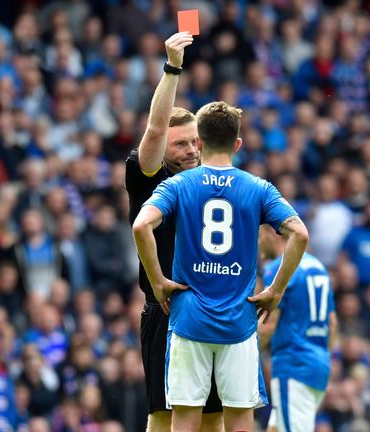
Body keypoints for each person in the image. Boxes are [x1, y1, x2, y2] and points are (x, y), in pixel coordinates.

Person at [133, 101, 309, 431]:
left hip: (188, 320)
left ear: (198, 142)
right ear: (237, 144)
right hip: (239, 323)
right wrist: (275, 291)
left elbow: (141, 226)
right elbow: (299, 233)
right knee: (239, 419)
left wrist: (158, 281)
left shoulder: (178, 185)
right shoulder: (259, 188)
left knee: (184, 419)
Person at [124, 32, 223, 431]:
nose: (191, 150)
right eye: (180, 144)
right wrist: (173, 68)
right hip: (166, 313)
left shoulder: (214, 183)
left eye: (194, 142)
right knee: (163, 421)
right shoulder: (149, 176)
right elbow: (153, 131)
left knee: (213, 419)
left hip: (212, 311)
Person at [257, 224, 337, 432]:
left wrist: (242, 352)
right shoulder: (318, 266)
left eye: (258, 236)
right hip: (318, 366)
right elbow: (332, 321)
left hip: (294, 366)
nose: (257, 244)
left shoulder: (278, 268)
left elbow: (268, 325)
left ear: (269, 233)